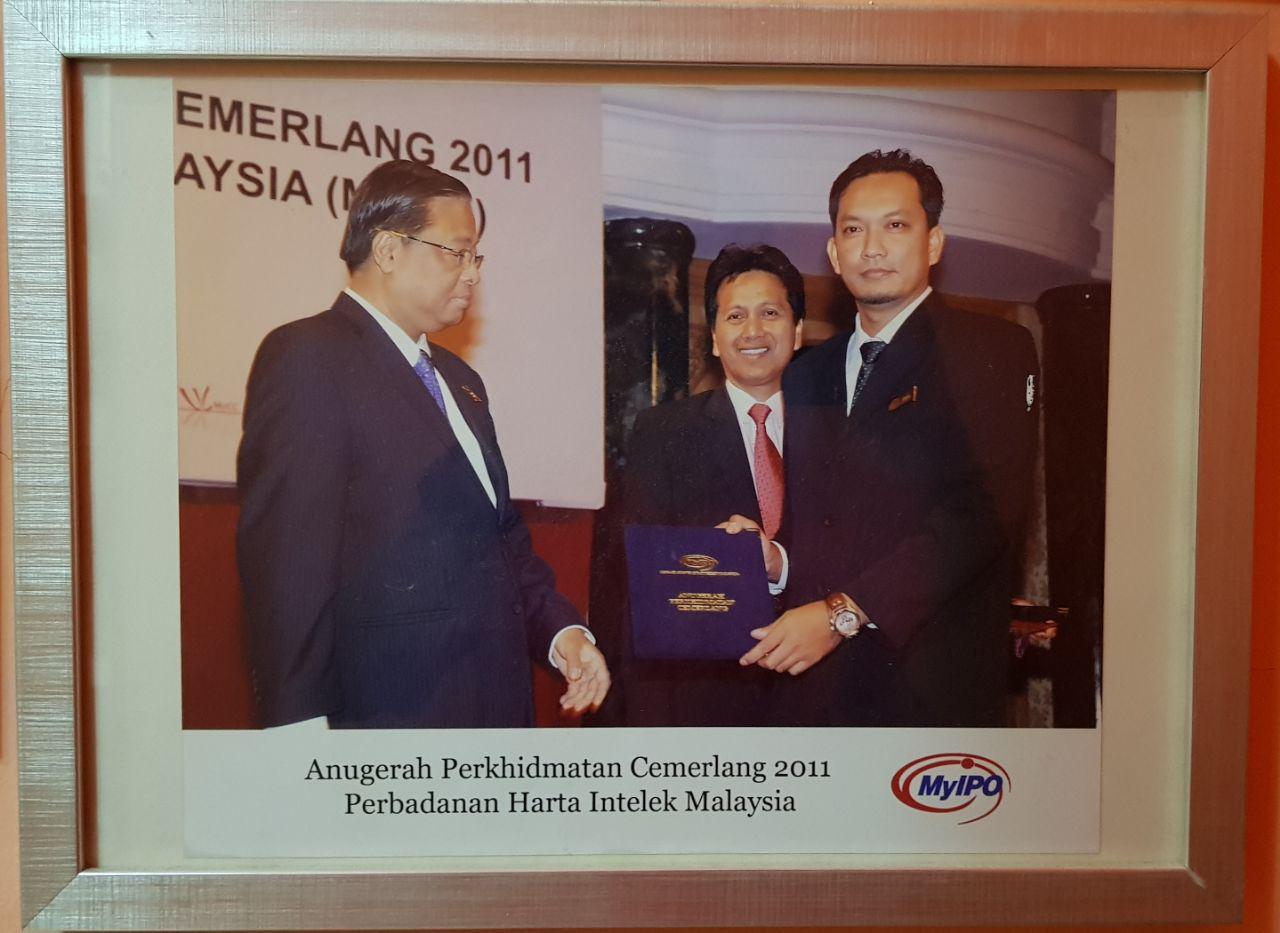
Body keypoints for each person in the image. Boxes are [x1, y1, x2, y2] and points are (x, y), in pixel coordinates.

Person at [236, 159, 609, 729]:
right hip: (385, 725)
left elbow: (501, 540)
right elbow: (287, 566)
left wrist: (564, 635)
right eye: (456, 253)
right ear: (388, 250)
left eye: (476, 258)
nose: (472, 274)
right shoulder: (309, 357)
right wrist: (297, 734)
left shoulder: (462, 382)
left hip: (492, 716)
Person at [738, 148, 1039, 727]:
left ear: (934, 243)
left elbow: (980, 518)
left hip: (928, 697)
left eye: (895, 226)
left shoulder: (993, 351)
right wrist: (775, 561)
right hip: (814, 696)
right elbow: (817, 526)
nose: (872, 248)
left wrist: (841, 615)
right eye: (854, 230)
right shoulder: (805, 374)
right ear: (834, 252)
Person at [616, 244, 804, 726]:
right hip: (706, 705)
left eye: (770, 313)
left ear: (798, 331)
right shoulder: (663, 433)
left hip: (816, 699)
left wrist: (778, 563)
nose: (753, 331)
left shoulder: (836, 435)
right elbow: (639, 589)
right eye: (735, 316)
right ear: (716, 340)